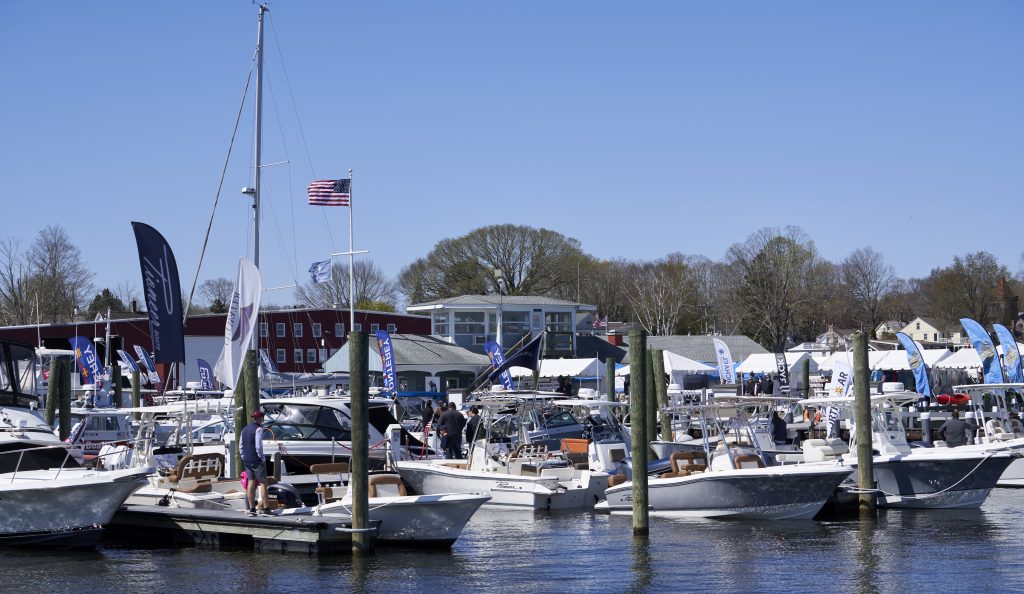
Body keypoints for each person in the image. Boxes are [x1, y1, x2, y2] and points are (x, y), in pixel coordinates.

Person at [241, 409, 270, 516]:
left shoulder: (244, 429)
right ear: (261, 419)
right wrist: (262, 458)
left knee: (251, 482)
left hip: (247, 460)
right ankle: (266, 509)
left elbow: (241, 445)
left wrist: (243, 456)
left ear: (253, 418)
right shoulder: (258, 429)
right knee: (263, 483)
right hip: (256, 460)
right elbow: (258, 446)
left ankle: (252, 509)